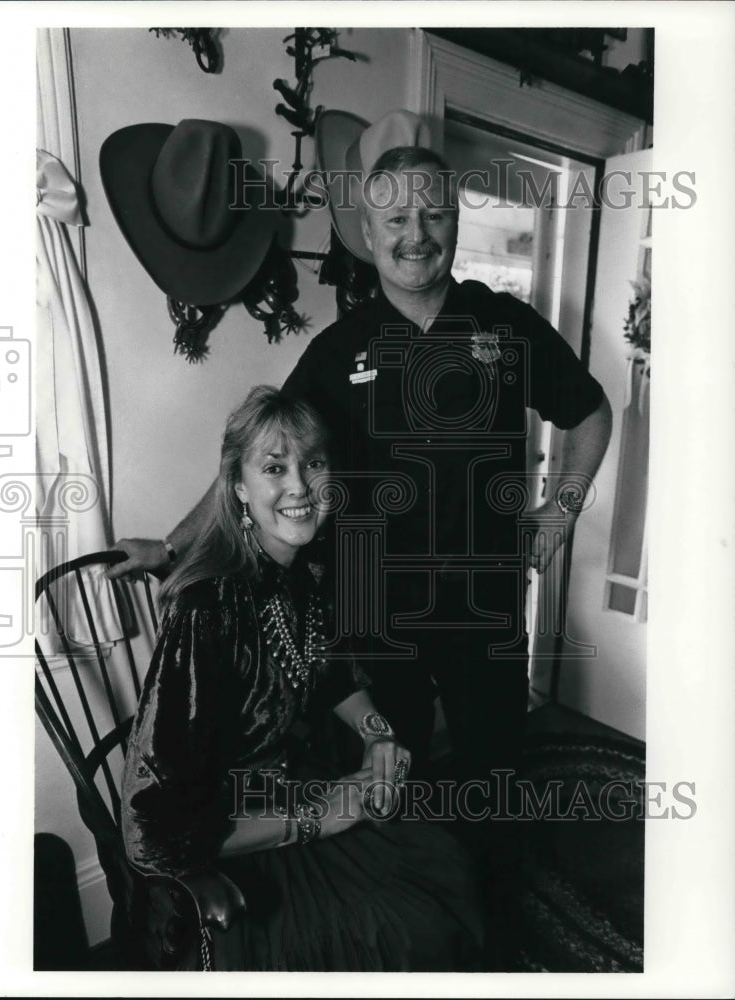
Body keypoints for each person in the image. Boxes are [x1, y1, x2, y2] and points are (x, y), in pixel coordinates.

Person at [109, 111, 612, 807]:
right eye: (396, 220)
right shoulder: (337, 350)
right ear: (370, 235)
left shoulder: (506, 324)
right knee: (387, 782)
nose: (416, 235)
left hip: (484, 603)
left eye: (433, 215)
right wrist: (173, 544)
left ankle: (488, 886)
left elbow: (591, 414)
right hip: (374, 609)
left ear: (455, 227)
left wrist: (561, 511)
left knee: (495, 776)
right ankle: (408, 889)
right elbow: (261, 459)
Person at [121, 385, 483, 971]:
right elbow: (152, 825)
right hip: (228, 833)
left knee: (444, 863)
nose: (299, 487)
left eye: (313, 463)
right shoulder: (206, 606)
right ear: (238, 486)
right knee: (404, 929)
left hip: (291, 779)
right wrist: (327, 813)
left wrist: (377, 732)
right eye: (274, 467)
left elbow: (330, 670)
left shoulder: (301, 570)